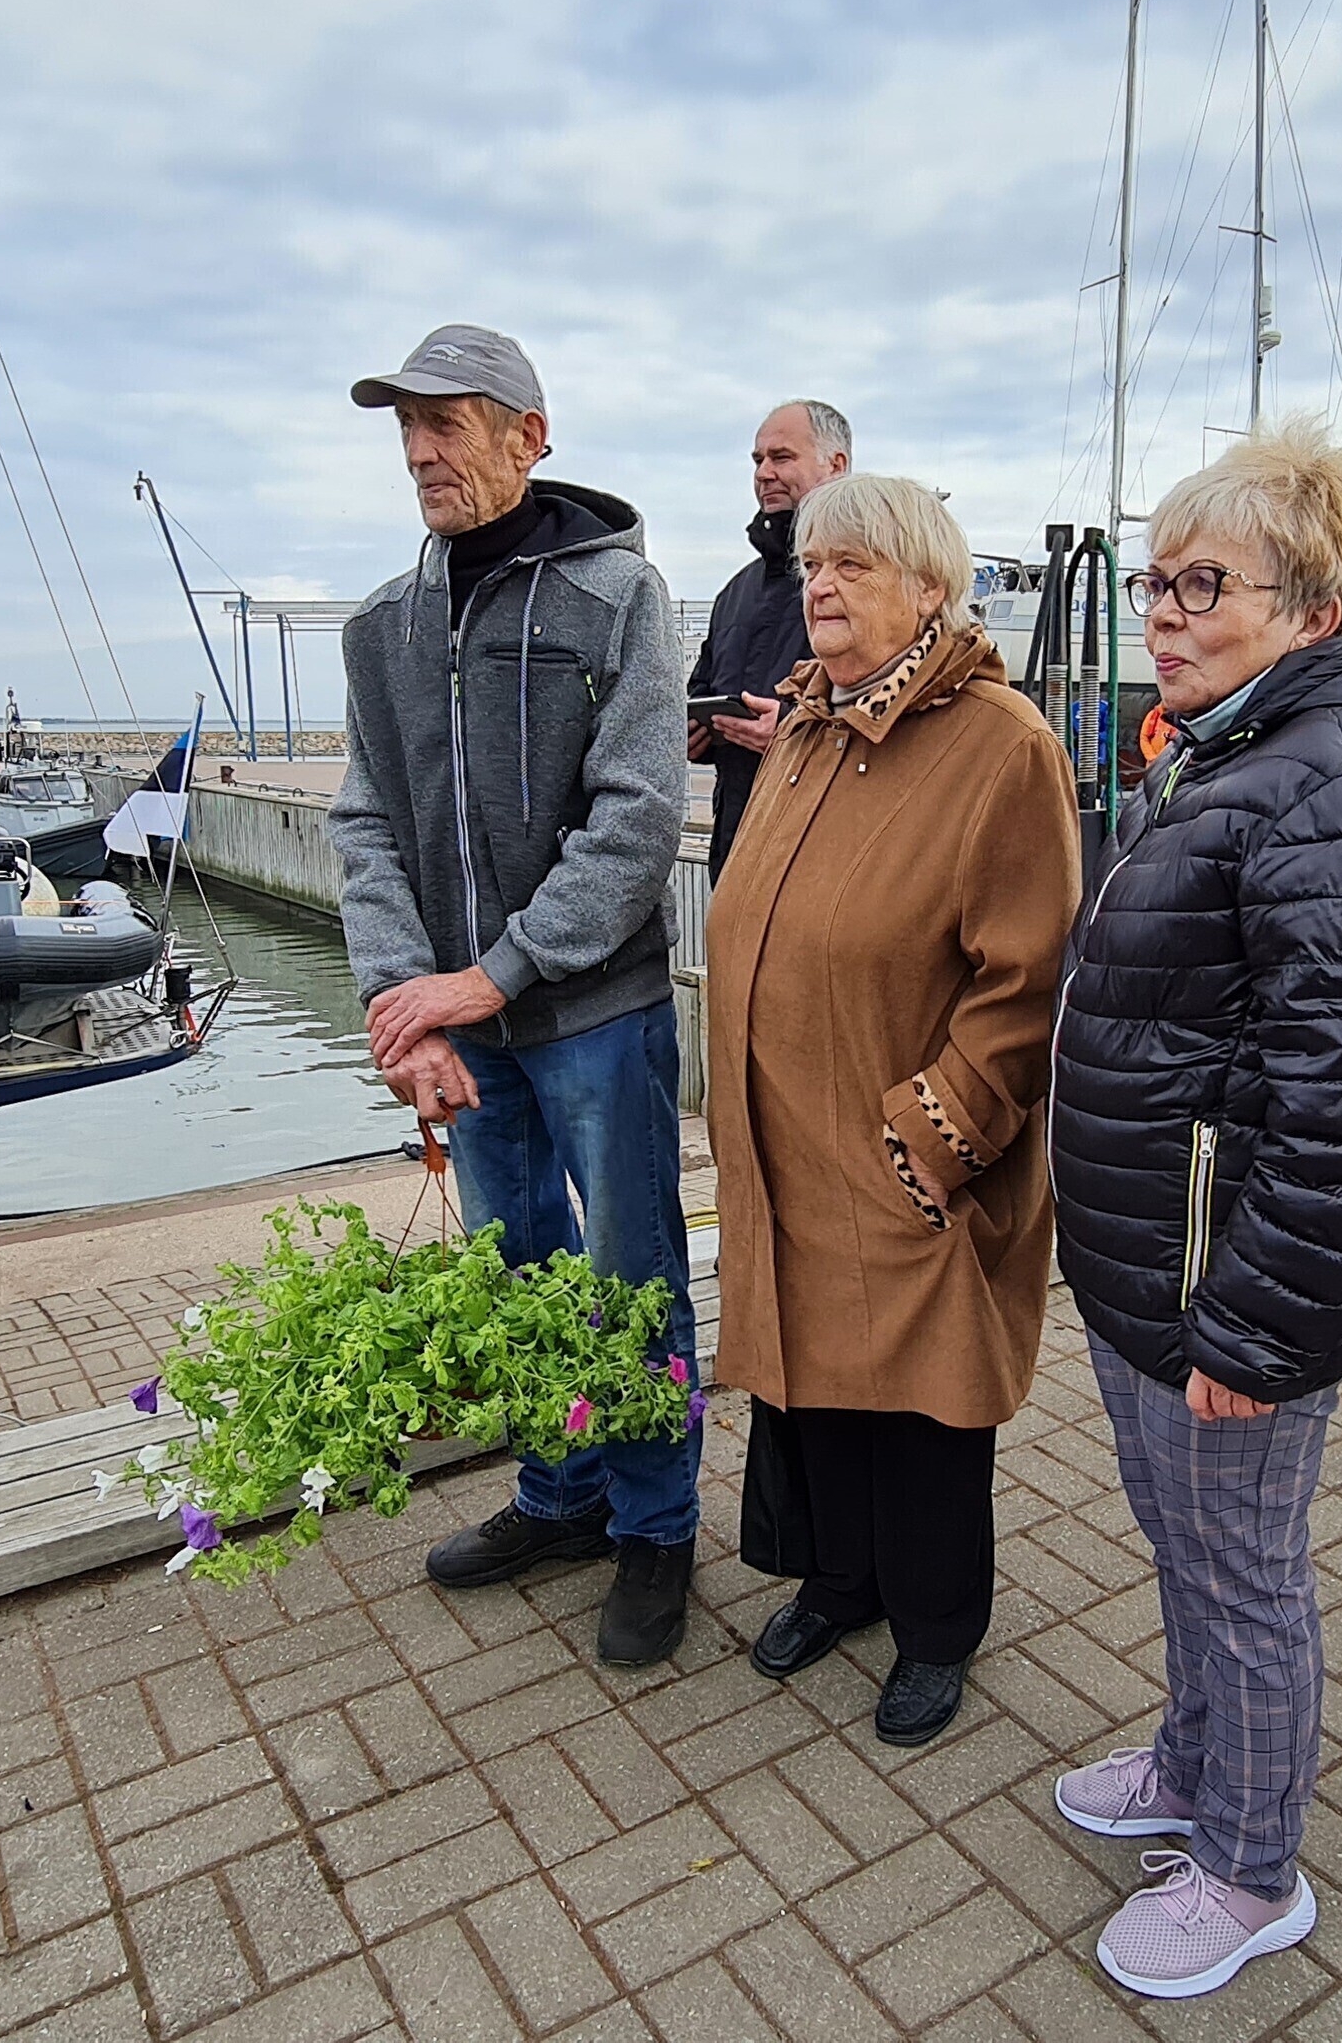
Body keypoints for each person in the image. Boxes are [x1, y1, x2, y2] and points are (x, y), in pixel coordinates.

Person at [1048, 418, 1342, 1999]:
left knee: (1242, 1568)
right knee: (1182, 1543)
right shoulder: (1229, 746)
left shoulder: (1341, 770)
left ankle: (1249, 1864)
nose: (1161, 612)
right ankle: (1191, 1763)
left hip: (1228, 1282)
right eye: (1154, 581)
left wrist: (1261, 1328)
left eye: (1201, 583)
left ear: (1313, 609)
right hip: (1155, 1254)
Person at [326, 324, 701, 1665]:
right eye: (406, 429)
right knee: (514, 1269)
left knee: (632, 1276)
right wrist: (404, 1005)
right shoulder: (382, 624)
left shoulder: (620, 597)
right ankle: (563, 1492)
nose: (420, 452)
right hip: (462, 1028)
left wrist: (491, 975)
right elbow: (366, 824)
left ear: (527, 438)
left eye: (447, 424)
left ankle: (656, 1523)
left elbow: (638, 815)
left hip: (596, 1015)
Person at [705, 473, 1078, 1748]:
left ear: (928, 588)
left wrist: (932, 1138)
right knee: (815, 1381)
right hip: (784, 1137)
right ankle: (840, 1581)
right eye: (813, 563)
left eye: (852, 564)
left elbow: (1026, 977)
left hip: (898, 1145)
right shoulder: (809, 725)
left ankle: (935, 1626)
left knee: (922, 1402)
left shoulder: (1000, 744)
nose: (819, 584)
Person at [686, 401, 849, 873]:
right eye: (758, 460)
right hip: (736, 852)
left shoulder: (874, 583)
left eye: (782, 457)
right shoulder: (735, 592)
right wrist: (695, 730)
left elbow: (906, 714)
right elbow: (703, 687)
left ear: (836, 466)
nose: (764, 474)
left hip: (826, 858)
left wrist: (795, 729)